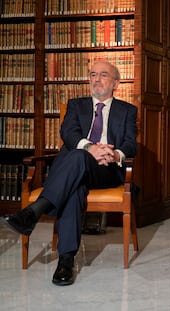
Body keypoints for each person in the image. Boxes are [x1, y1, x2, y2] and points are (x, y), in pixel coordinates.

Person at [0, 60, 138, 286]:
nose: (96, 79)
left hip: (106, 170)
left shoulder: (127, 110)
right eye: (93, 74)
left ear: (116, 82)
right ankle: (65, 261)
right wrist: (91, 148)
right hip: (78, 168)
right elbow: (68, 133)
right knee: (75, 183)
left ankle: (34, 212)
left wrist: (114, 155)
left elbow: (131, 144)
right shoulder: (76, 105)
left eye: (103, 75)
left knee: (77, 157)